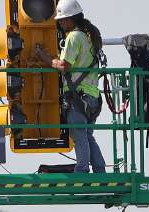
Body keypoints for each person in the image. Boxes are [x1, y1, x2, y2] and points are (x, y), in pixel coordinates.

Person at [35, 0, 106, 173]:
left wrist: (43, 56)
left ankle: (81, 172)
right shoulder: (89, 36)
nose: (60, 23)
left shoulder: (74, 37)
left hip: (78, 97)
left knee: (79, 136)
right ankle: (100, 171)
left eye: (62, 19)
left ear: (70, 19)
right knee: (88, 136)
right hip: (92, 97)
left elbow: (64, 65)